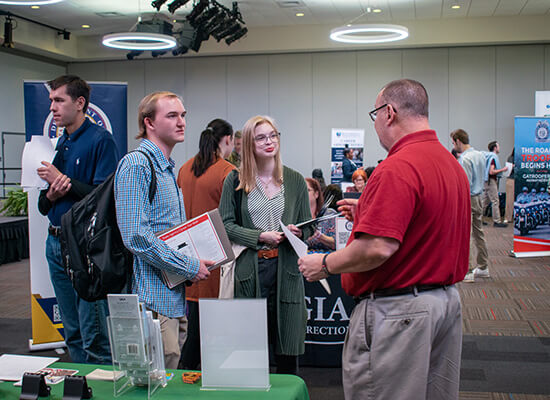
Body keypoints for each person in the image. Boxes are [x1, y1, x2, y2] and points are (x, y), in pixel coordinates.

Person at [298, 79, 470, 400]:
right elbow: (425, 222)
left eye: (374, 114)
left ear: (388, 113)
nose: (375, 124)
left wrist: (324, 264)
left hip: (399, 312)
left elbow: (378, 247)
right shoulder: (450, 164)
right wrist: (368, 211)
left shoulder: (397, 167)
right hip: (444, 304)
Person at [114, 91, 211, 369]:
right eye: (172, 115)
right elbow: (136, 235)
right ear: (149, 123)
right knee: (154, 383)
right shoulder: (136, 164)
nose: (181, 122)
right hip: (150, 299)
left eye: (183, 115)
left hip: (171, 296)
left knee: (168, 377)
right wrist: (189, 266)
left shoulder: (166, 168)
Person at [219, 115, 313, 375]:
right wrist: (260, 236)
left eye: (273, 135)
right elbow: (225, 226)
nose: (269, 142)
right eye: (261, 137)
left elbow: (309, 226)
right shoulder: (235, 181)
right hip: (251, 269)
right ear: (249, 143)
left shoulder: (294, 180)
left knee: (287, 353)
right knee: (249, 353)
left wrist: (298, 232)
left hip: (287, 271)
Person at [37, 75, 118, 364]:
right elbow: (42, 205)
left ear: (80, 103)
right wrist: (53, 194)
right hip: (55, 242)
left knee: (93, 334)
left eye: (59, 100)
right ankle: (81, 389)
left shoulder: (101, 141)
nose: (53, 108)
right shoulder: (59, 144)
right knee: (72, 333)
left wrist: (66, 183)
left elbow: (104, 197)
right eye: (51, 101)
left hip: (85, 247)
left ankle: (101, 388)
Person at [176, 118, 236, 370]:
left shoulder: (184, 169)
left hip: (188, 260)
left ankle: (187, 379)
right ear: (228, 140)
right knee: (209, 336)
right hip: (216, 261)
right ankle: (187, 380)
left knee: (196, 330)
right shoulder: (227, 172)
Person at [451, 129, 491, 282]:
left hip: (469, 198)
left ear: (458, 141)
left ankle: (467, 271)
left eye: (453, 143)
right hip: (479, 197)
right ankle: (483, 267)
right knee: (478, 233)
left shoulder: (465, 159)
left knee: (465, 234)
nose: (454, 146)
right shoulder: (480, 155)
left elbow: (464, 184)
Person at [305, 178, 336, 251]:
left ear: (316, 194)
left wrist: (320, 236)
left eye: (307, 190)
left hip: (327, 259)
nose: (303, 193)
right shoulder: (296, 216)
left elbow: (338, 243)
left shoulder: (329, 215)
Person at [483, 141, 508, 227]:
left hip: (486, 181)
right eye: (498, 146)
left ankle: (478, 219)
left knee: (485, 201)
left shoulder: (487, 156)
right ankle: (497, 221)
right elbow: (491, 171)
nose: (499, 148)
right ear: (495, 148)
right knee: (495, 201)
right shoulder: (493, 158)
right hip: (491, 181)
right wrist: (503, 169)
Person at [505, 149, 515, 223]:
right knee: (510, 199)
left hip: (518, 179)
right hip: (512, 179)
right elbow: (508, 170)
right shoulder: (511, 158)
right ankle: (508, 217)